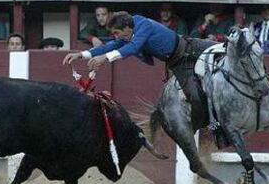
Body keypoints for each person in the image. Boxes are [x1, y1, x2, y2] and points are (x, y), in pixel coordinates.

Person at [63, 11, 218, 135]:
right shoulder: (127, 33)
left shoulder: (142, 24)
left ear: (127, 28)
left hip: (191, 47)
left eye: (117, 33)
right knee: (193, 96)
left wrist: (104, 58)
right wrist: (81, 55)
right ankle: (210, 126)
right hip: (178, 63)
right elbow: (110, 45)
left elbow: (133, 47)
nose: (116, 37)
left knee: (225, 50)